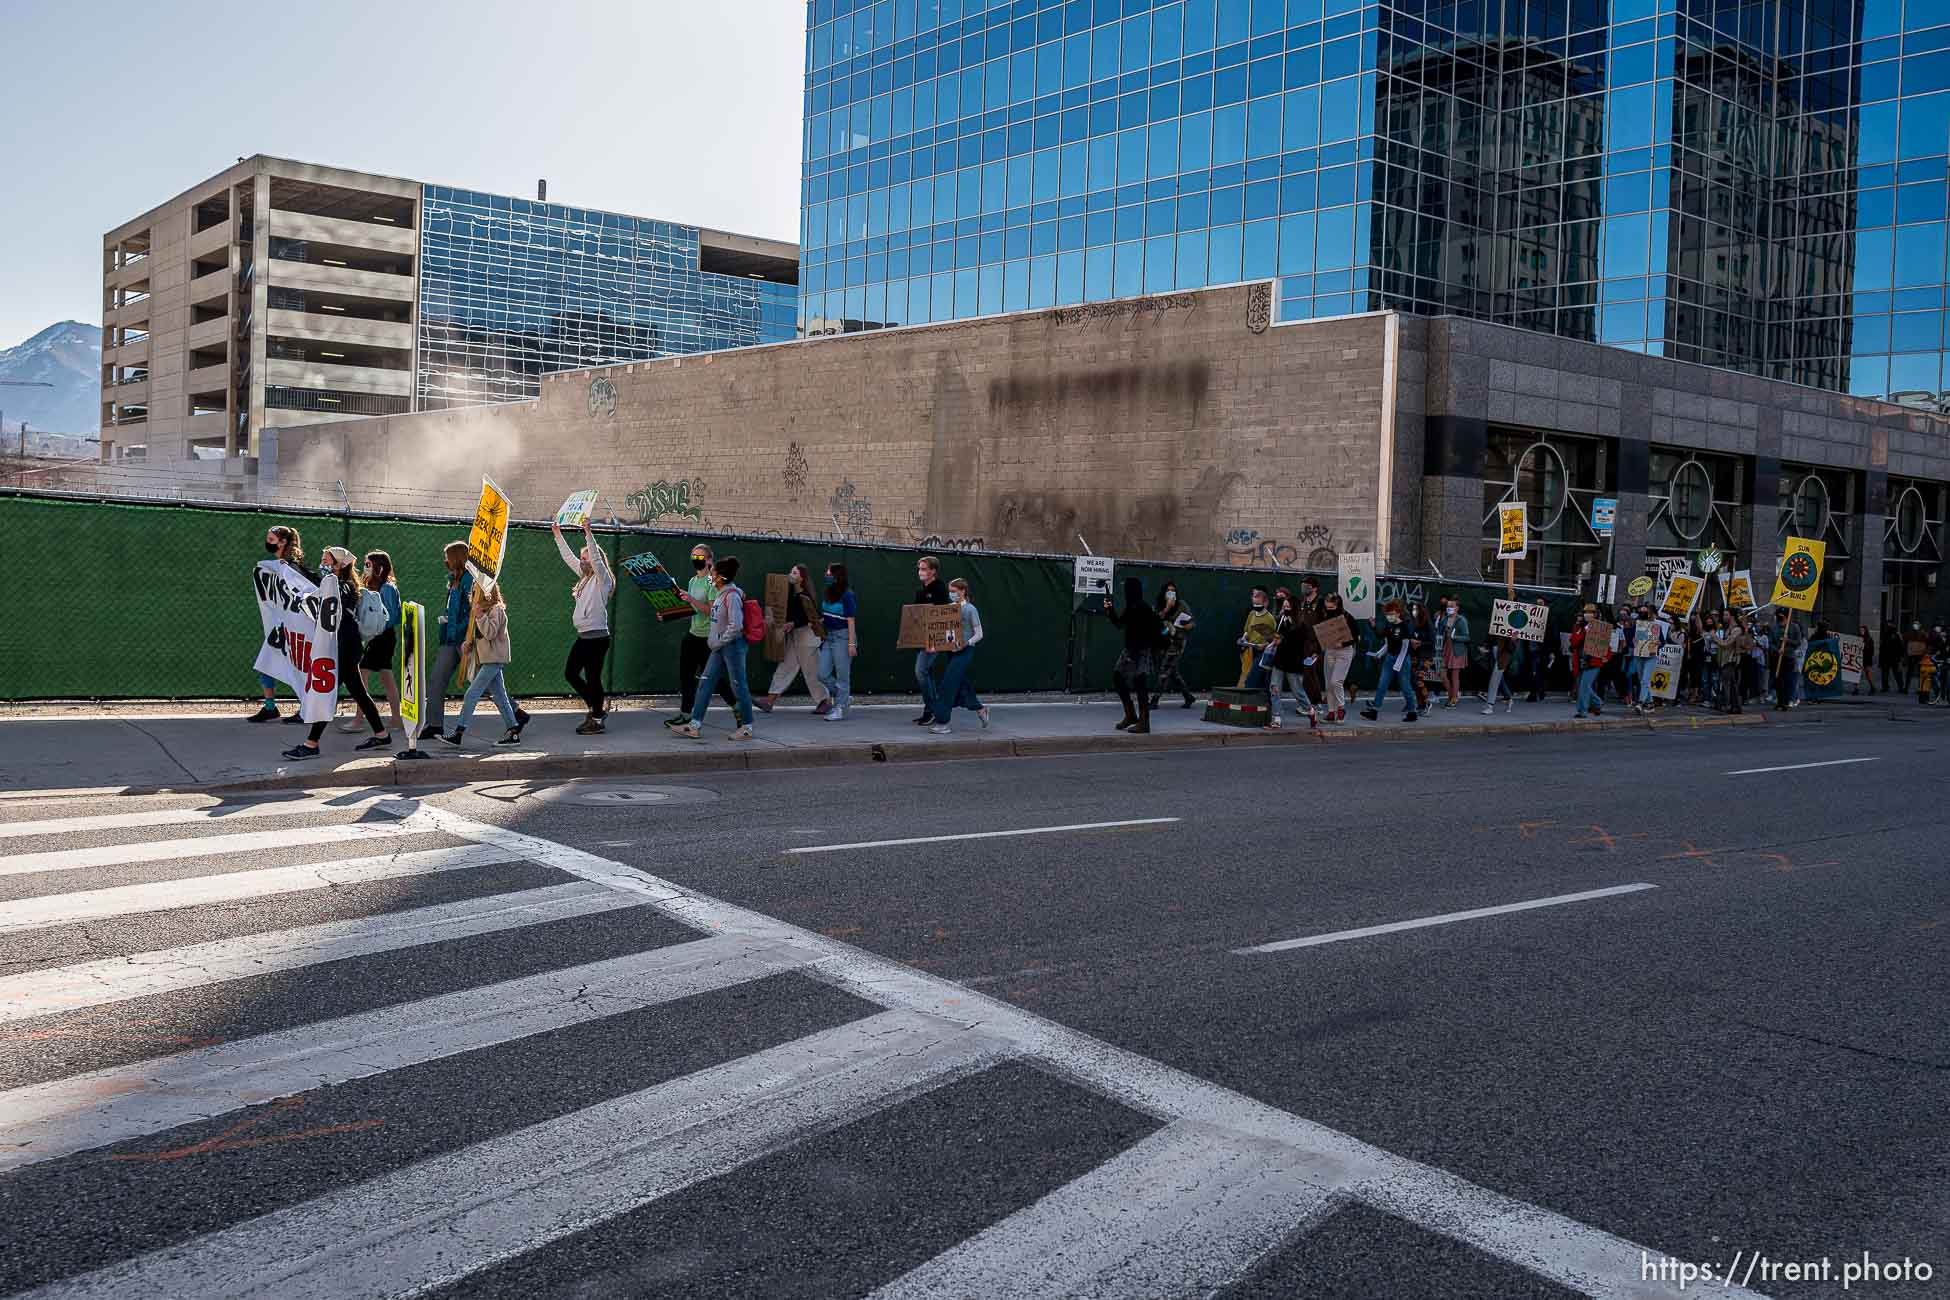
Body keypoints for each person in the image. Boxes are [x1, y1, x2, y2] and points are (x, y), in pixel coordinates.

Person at [282, 547, 392, 760]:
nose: (323, 565)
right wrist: (295, 571)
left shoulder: (346, 587)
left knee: (326, 691)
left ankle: (311, 744)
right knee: (359, 693)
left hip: (345, 646)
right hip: (342, 646)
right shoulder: (333, 583)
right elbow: (317, 585)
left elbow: (331, 595)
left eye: (327, 561)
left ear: (339, 564)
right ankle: (381, 734)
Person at [440, 577, 530, 748]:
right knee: (500, 696)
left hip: (494, 659)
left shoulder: (496, 610)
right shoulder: (479, 612)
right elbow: (480, 637)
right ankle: (513, 731)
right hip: (489, 659)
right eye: (473, 591)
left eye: (477, 591)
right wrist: (469, 645)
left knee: (471, 694)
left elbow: (490, 633)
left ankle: (458, 733)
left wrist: (480, 615)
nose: (473, 594)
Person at [674, 556, 756, 740]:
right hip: (719, 648)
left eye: (713, 573)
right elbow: (715, 619)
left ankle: (747, 727)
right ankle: (694, 725)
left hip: (732, 647)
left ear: (721, 577)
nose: (710, 576)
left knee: (738, 686)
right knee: (705, 682)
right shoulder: (720, 594)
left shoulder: (732, 596)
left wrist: (718, 642)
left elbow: (736, 626)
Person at [249, 524, 319, 724]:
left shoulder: (291, 566)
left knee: (299, 668)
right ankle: (270, 707)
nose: (267, 543)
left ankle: (306, 707)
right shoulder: (276, 566)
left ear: (283, 542)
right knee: (265, 661)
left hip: (295, 626)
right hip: (282, 625)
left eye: (271, 540)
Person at [553, 516, 615, 735]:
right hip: (583, 636)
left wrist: (588, 532)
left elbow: (597, 561)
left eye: (586, 557)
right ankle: (597, 707)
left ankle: (597, 718)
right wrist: (558, 534)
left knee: (592, 677)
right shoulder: (584, 577)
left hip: (597, 638)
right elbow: (569, 557)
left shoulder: (602, 579)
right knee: (571, 673)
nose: (583, 561)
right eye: (583, 558)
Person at [665, 543, 737, 729]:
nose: (696, 560)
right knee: (686, 676)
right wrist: (668, 612)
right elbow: (692, 610)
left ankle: (737, 707)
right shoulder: (692, 581)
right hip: (693, 634)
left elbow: (713, 610)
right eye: (693, 556)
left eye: (700, 557)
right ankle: (685, 714)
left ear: (709, 560)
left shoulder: (711, 582)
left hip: (707, 637)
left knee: (714, 679)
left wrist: (692, 599)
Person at [340, 550, 403, 735]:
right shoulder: (371, 586)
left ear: (380, 567)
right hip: (375, 637)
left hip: (383, 637)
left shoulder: (387, 588)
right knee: (386, 676)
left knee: (363, 674)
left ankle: (360, 719)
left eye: (369, 564)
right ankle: (396, 719)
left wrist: (376, 627)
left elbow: (393, 616)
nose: (365, 568)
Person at [758, 564, 833, 715]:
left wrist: (793, 623)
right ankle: (770, 700)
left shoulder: (806, 595)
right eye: (791, 571)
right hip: (795, 635)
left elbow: (811, 616)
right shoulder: (791, 594)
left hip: (807, 637)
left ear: (801, 577)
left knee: (811, 671)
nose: (790, 574)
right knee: (785, 667)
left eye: (794, 572)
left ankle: (825, 701)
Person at [928, 578, 991, 733]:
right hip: (950, 651)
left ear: (962, 591)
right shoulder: (949, 608)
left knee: (948, 684)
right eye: (950, 591)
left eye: (954, 591)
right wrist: (934, 646)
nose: (951, 594)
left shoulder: (970, 609)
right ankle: (981, 709)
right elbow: (942, 631)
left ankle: (943, 722)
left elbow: (979, 634)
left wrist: (966, 643)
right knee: (960, 683)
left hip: (964, 652)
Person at [1105, 575, 1165, 733]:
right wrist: (1110, 610)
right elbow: (1119, 623)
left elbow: (1144, 632)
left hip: (1139, 650)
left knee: (1137, 682)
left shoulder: (1140, 608)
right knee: (1125, 679)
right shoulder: (1133, 606)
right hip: (1133, 649)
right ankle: (1132, 716)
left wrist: (1132, 653)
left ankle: (1142, 721)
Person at [426, 541, 472, 742]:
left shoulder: (469, 579)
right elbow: (452, 609)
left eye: (447, 557)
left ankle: (515, 714)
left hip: (464, 640)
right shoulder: (453, 580)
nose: (445, 561)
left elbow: (472, 611)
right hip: (449, 639)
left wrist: (459, 631)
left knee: (484, 682)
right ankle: (434, 725)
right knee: (436, 680)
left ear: (455, 558)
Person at [1264, 591, 1321, 729]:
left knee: (1297, 691)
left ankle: (1310, 710)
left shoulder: (1300, 625)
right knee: (1274, 688)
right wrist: (1274, 639)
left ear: (1294, 608)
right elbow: (1279, 636)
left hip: (1293, 662)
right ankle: (1276, 718)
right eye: (1284, 607)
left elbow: (1298, 643)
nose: (1285, 609)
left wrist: (1281, 640)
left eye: (1288, 607)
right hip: (1280, 660)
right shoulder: (1281, 620)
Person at [1359, 600, 1418, 722]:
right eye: (1387, 614)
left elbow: (1405, 647)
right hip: (1390, 658)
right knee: (1382, 685)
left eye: (1391, 613)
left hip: (1402, 659)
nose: (1389, 616)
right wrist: (1379, 654)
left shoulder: (1405, 626)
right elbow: (1386, 641)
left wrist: (1398, 663)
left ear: (1398, 613)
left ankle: (1412, 712)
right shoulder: (1389, 625)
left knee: (1405, 686)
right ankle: (1374, 711)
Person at [911, 555, 952, 726]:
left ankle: (933, 709)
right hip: (922, 638)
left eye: (924, 569)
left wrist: (934, 642)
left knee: (920, 671)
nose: (920, 572)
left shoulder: (940, 589)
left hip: (935, 639)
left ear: (933, 571)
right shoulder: (921, 590)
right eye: (919, 568)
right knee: (927, 673)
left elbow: (942, 616)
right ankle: (931, 711)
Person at [818, 562, 859, 721]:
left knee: (843, 676)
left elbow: (850, 620)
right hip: (829, 636)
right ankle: (844, 696)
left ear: (837, 575)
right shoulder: (828, 592)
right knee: (822, 674)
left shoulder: (848, 595)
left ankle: (840, 708)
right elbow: (829, 614)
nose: (826, 574)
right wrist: (819, 621)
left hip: (843, 637)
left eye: (829, 572)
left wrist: (851, 643)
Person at [1149, 582, 1197, 710]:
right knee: (1172, 672)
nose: (1171, 593)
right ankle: (1188, 696)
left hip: (1177, 642)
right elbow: (1155, 621)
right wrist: (1167, 608)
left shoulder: (1181, 604)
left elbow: (1192, 622)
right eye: (1168, 591)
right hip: (1162, 641)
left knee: (1165, 670)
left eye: (1173, 591)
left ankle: (1155, 699)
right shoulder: (1158, 605)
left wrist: (1188, 625)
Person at [1317, 591, 1357, 723]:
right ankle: (1331, 711)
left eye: (1332, 608)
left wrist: (1343, 643)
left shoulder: (1347, 617)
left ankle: (1341, 708)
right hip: (1329, 650)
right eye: (1327, 607)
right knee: (1329, 683)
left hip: (1344, 651)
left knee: (1336, 681)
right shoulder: (1324, 615)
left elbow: (1356, 637)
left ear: (1338, 606)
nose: (1329, 610)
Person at [1569, 604, 1609, 719]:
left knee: (1584, 686)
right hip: (1580, 661)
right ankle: (1598, 703)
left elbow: (1606, 646)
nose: (1587, 614)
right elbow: (1574, 642)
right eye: (1586, 612)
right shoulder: (1579, 627)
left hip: (1593, 662)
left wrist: (1606, 656)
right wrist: (1584, 632)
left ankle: (1582, 711)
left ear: (1595, 614)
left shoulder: (1600, 628)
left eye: (1590, 612)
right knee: (1584, 686)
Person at [1434, 594, 1470, 707]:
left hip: (1457, 650)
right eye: (1448, 606)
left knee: (1455, 675)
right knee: (1442, 674)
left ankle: (1453, 698)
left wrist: (1455, 637)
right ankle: (1452, 695)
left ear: (1457, 608)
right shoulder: (1444, 619)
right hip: (1445, 649)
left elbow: (1467, 637)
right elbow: (1438, 633)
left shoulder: (1461, 620)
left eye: (1451, 606)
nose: (1449, 608)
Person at [1236, 588, 1276, 687]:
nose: (1256, 606)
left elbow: (1273, 640)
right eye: (1255, 604)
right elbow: (1247, 630)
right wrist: (1243, 639)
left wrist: (1264, 645)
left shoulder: (1269, 618)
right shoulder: (1252, 614)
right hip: (1251, 650)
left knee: (1254, 678)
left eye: (1258, 604)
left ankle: (1265, 699)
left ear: (1265, 602)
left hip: (1263, 653)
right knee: (1255, 677)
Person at [1772, 609, 1804, 710]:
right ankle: (1779, 701)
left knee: (1787, 680)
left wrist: (1787, 640)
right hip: (1777, 657)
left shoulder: (1794, 627)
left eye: (1781, 615)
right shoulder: (1774, 627)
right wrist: (1777, 650)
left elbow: (1798, 642)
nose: (1779, 617)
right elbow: (1771, 642)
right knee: (1777, 680)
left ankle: (1786, 701)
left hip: (1789, 657)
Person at [1481, 631, 1517, 714]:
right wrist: (1485, 646)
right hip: (1492, 652)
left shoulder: (1513, 626)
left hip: (1503, 655)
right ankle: (1509, 698)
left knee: (1495, 678)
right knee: (1498, 678)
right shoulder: (1496, 621)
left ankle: (1489, 706)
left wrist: (1513, 640)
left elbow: (1512, 648)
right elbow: (1489, 636)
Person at [1880, 621, 1906, 694]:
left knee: (1897, 673)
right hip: (1886, 657)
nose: (1889, 625)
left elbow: (1901, 647)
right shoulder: (1885, 634)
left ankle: (1900, 687)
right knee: (1885, 674)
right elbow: (1882, 647)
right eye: (1888, 624)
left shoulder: (1897, 634)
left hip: (1895, 658)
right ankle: (1885, 687)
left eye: (1890, 624)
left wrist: (1901, 658)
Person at [1854, 623, 1876, 696]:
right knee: (1856, 674)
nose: (1861, 631)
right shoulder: (1858, 638)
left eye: (1862, 630)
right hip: (1859, 658)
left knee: (1868, 674)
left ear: (1865, 630)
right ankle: (1856, 689)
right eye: (1860, 630)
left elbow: (1871, 650)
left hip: (1866, 658)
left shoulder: (1869, 639)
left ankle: (1872, 687)